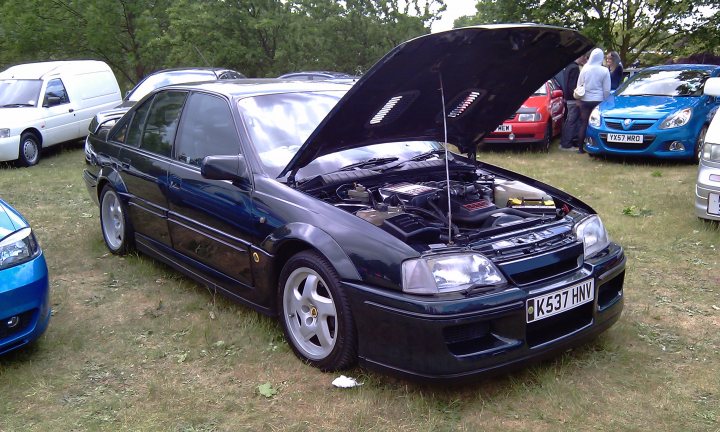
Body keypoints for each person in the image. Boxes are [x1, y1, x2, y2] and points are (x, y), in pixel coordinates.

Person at [577, 48, 611, 153]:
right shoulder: (604, 70)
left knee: (584, 123)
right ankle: (595, 145)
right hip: (598, 100)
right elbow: (606, 89)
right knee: (597, 124)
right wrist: (605, 100)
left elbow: (579, 85)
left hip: (585, 100)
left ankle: (580, 148)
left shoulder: (585, 69)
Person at [559, 53, 589, 150]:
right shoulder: (575, 68)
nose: (584, 59)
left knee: (571, 120)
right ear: (579, 57)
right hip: (573, 99)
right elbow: (573, 85)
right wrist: (577, 98)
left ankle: (569, 141)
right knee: (572, 120)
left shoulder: (569, 67)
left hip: (568, 98)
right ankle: (567, 143)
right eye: (583, 57)